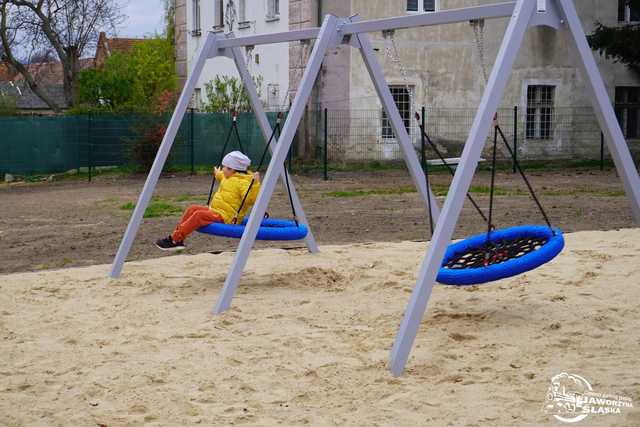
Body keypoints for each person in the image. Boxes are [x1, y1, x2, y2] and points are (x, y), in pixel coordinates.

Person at [156, 151, 261, 251]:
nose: (223, 169)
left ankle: (174, 239)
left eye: (224, 167)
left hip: (227, 217)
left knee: (198, 215)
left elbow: (251, 200)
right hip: (215, 210)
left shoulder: (244, 183)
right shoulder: (227, 176)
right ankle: (178, 239)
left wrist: (255, 184)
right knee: (192, 209)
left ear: (232, 169)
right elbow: (220, 176)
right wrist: (216, 172)